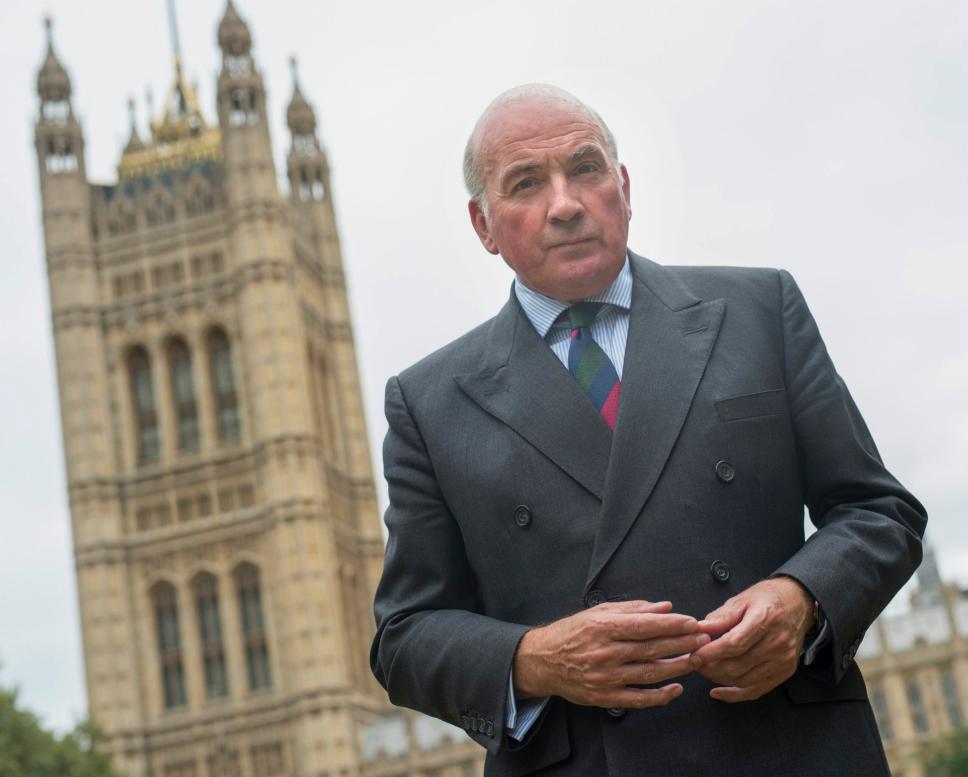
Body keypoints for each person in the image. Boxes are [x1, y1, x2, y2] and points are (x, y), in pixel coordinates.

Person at [370, 84, 927, 777]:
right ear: (483, 225)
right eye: (525, 183)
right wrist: (534, 659)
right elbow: (404, 636)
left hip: (788, 750)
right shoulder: (428, 402)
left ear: (623, 186)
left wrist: (804, 598)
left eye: (585, 168)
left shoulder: (759, 310)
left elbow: (881, 512)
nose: (566, 202)